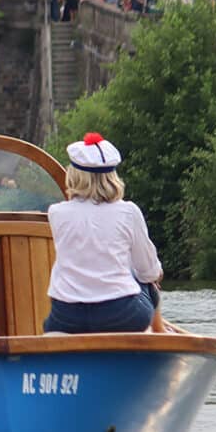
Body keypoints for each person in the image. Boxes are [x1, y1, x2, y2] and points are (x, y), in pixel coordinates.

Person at [44, 133, 166, 334]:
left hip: (67, 317)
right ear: (112, 177)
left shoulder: (56, 213)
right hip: (121, 315)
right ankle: (159, 334)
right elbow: (149, 272)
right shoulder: (129, 212)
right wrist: (151, 275)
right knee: (145, 280)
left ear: (74, 176)